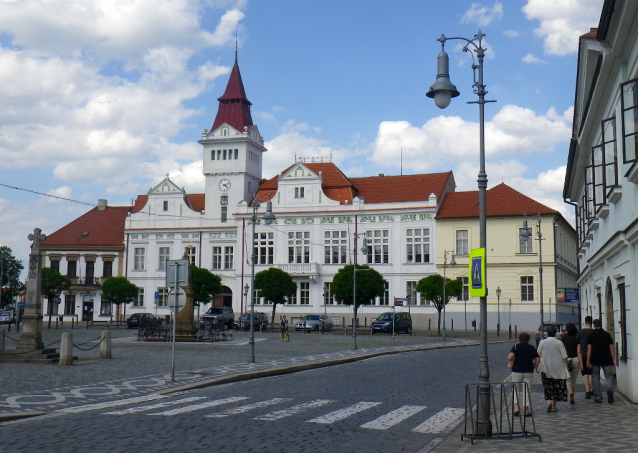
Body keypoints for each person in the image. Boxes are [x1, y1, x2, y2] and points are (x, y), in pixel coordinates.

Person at [537, 325, 569, 413]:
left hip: (545, 367)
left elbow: (538, 355)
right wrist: (567, 365)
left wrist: (537, 365)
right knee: (556, 386)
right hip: (557, 367)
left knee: (547, 386)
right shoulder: (559, 343)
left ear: (547, 333)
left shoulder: (542, 342)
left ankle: (549, 402)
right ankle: (554, 406)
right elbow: (564, 356)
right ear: (555, 333)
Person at [508, 332, 539, 417]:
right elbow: (537, 360)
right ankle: (526, 410)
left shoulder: (515, 347)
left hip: (516, 370)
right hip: (528, 371)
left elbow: (510, 357)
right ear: (528, 340)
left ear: (519, 339)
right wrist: (533, 367)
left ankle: (516, 408)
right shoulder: (532, 348)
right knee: (527, 390)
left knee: (516, 389)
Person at [587, 318, 616, 404]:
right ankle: (610, 390)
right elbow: (611, 348)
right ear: (601, 324)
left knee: (595, 377)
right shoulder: (607, 335)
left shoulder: (591, 335)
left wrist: (588, 360)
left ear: (594, 325)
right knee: (609, 376)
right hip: (607, 358)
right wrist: (613, 360)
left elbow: (589, 349)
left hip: (595, 359)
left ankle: (598, 397)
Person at [561, 322, 580, 404]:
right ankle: (573, 395)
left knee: (567, 379)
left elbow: (561, 351)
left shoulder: (564, 338)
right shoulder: (576, 338)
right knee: (573, 380)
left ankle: (570, 393)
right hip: (575, 359)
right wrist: (581, 363)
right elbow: (579, 352)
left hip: (566, 359)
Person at [577, 315, 594, 398]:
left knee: (585, 373)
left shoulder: (580, 332)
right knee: (594, 373)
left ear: (585, 322)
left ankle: (587, 391)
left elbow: (578, 345)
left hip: (583, 354)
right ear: (591, 323)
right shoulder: (594, 332)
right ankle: (593, 389)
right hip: (593, 355)